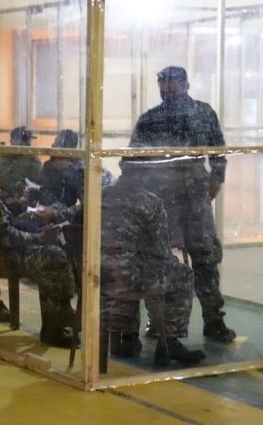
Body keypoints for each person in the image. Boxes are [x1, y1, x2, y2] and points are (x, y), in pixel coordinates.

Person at [130, 65, 236, 343]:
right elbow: (132, 160)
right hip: (161, 202)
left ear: (186, 84)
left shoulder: (203, 112)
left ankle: (214, 320)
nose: (168, 88)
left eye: (174, 83)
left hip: (195, 201)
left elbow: (218, 149)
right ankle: (158, 321)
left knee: (205, 258)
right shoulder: (150, 119)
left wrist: (217, 177)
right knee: (158, 260)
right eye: (163, 84)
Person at [0, 137, 75, 347]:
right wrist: (38, 237)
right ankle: (54, 326)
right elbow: (5, 235)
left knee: (51, 247)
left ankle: (63, 312)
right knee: (53, 256)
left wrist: (21, 206)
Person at [101, 148, 206, 366]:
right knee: (181, 274)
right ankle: (170, 341)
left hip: (96, 271)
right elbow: (160, 254)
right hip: (127, 277)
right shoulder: (150, 202)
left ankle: (124, 336)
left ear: (121, 167)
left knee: (130, 266)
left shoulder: (101, 195)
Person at [0, 126, 41, 216]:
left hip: (22, 206)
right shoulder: (2, 158)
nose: (28, 143)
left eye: (27, 140)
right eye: (25, 140)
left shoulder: (33, 160)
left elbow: (35, 187)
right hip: (3, 202)